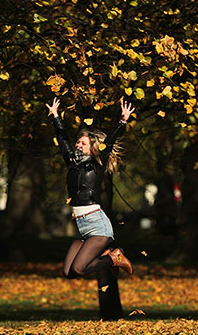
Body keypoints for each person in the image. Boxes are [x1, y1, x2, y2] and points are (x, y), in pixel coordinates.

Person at [46, 97, 135, 277]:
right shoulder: (71, 162)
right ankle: (107, 256)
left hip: (97, 225)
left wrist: (122, 120)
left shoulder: (97, 164)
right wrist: (55, 116)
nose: (78, 145)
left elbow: (109, 142)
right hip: (81, 225)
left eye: (83, 143)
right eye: (78, 142)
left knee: (79, 269)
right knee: (68, 272)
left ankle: (114, 258)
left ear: (92, 148)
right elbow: (62, 140)